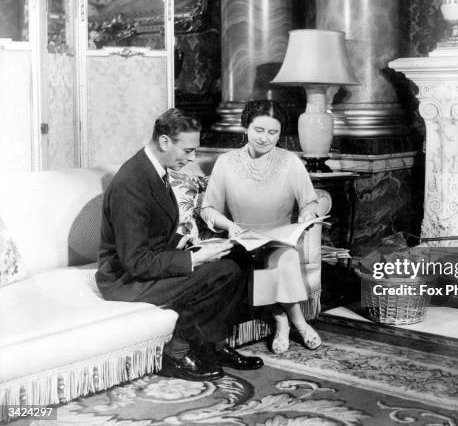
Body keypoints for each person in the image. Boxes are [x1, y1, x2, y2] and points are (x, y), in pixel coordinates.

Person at [96, 108, 263, 382]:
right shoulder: (131, 183)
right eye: (187, 150)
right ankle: (175, 353)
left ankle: (213, 345)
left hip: (150, 263)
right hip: (125, 281)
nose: (192, 158)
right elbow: (135, 262)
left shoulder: (153, 169)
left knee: (240, 256)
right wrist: (195, 259)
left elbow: (151, 231)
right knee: (224, 272)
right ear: (164, 142)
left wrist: (186, 242)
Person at [201, 100, 322, 354]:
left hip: (281, 238)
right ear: (246, 127)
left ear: (280, 134)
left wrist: (307, 215)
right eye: (259, 130)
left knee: (281, 254)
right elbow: (208, 209)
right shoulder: (225, 162)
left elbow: (310, 202)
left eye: (272, 132)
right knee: (269, 256)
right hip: (242, 239)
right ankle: (295, 322)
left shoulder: (290, 161)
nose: (265, 138)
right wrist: (231, 226)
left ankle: (284, 323)